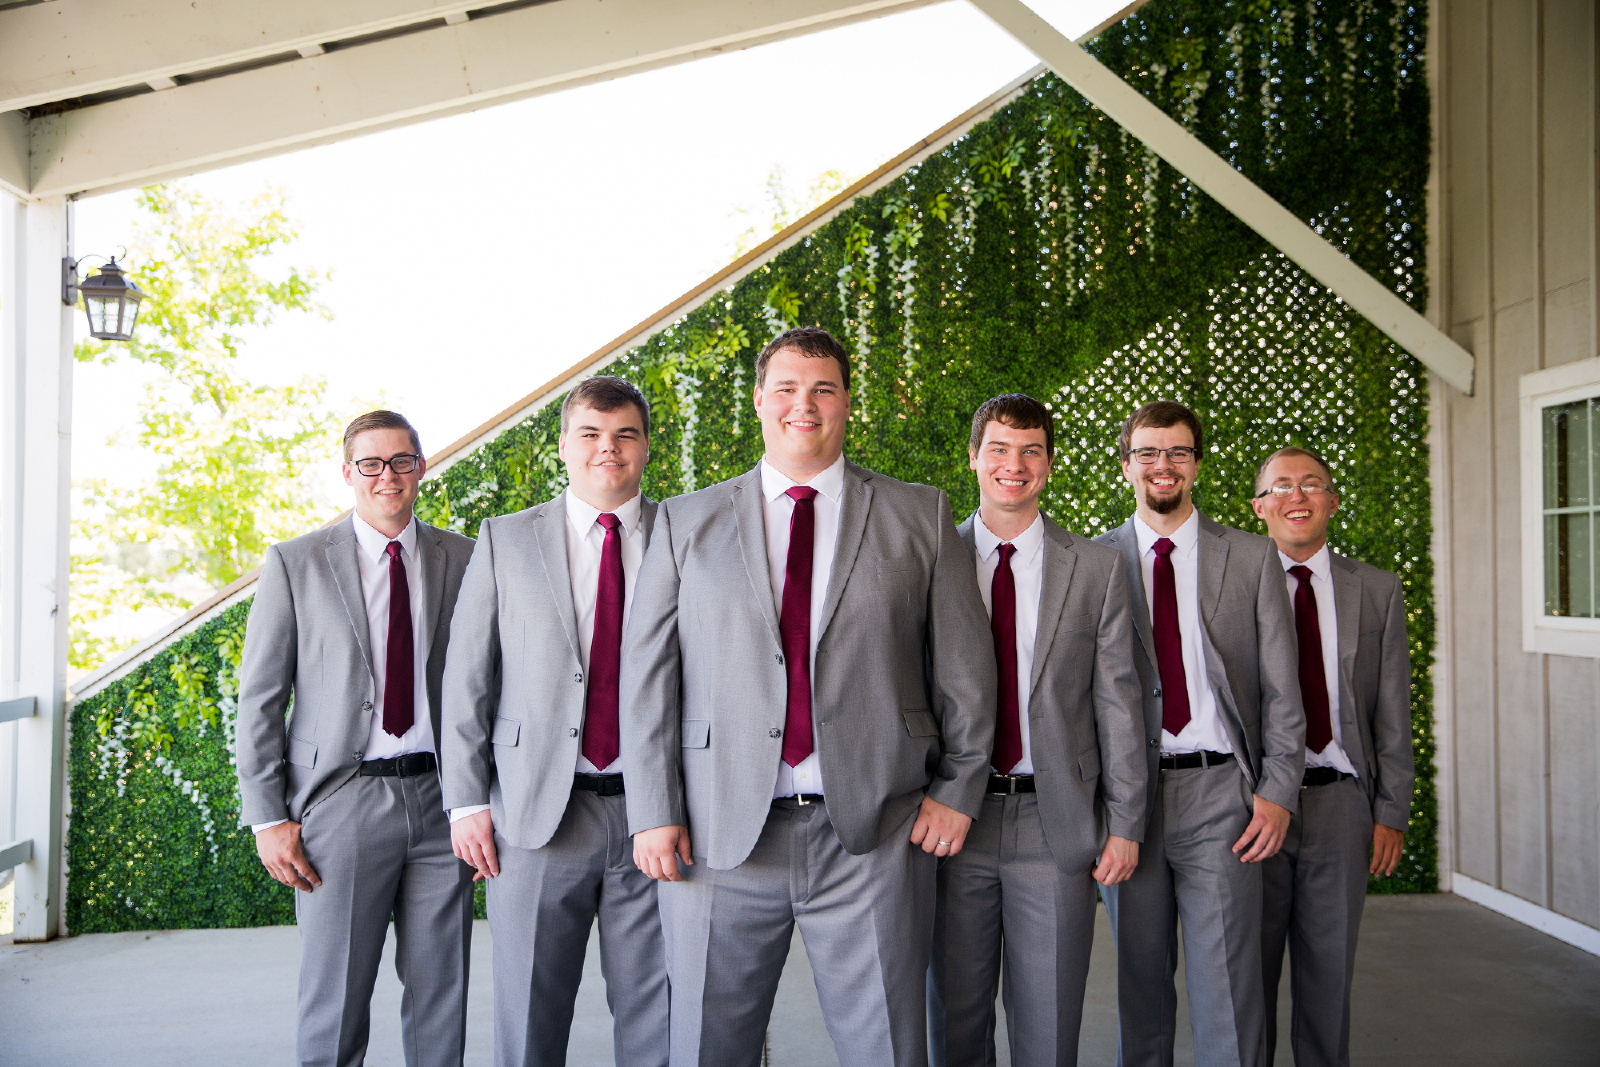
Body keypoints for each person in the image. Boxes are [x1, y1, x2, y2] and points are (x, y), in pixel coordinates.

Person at [621, 326, 996, 1067]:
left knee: (887, 1048)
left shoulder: (918, 515)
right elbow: (649, 677)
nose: (805, 404)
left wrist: (959, 785)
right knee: (705, 1047)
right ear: (760, 400)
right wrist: (653, 807)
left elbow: (966, 668)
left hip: (874, 831)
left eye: (823, 388)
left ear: (847, 403)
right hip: (718, 835)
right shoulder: (684, 521)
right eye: (787, 388)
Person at [439, 376, 669, 1067]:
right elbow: (466, 680)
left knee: (658, 1015)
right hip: (535, 814)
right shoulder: (505, 539)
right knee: (531, 1020)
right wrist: (466, 802)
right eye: (592, 434)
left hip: (656, 814)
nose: (609, 449)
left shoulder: (686, 533)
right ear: (564, 445)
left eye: (626, 434)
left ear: (647, 447)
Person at [236, 410, 477, 1067]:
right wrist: (267, 817)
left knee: (441, 993)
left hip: (440, 801)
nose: (387, 475)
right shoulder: (296, 563)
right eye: (370, 463)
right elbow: (259, 698)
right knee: (335, 996)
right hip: (340, 803)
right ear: (348, 473)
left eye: (401, 460)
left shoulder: (464, 557)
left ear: (421, 467)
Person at [929, 394, 1147, 1067]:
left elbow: (1120, 701)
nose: (1013, 465)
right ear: (974, 458)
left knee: (1050, 1024)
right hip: (952, 821)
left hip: (1057, 823)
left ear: (1049, 464)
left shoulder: (1096, 567)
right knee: (955, 1022)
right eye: (998, 448)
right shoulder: (931, 557)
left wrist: (1127, 820)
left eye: (1030, 451)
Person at [1093, 400, 1305, 1067]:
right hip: (1130, 801)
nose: (1164, 465)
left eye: (1178, 452)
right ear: (1126, 463)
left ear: (1196, 464)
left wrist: (1276, 792)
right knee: (1140, 988)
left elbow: (1283, 689)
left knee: (1231, 992)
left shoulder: (1249, 558)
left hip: (1225, 797)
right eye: (1149, 452)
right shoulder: (1092, 562)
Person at [1250, 446, 1414, 1067]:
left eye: (1312, 484)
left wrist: (1390, 809)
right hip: (1257, 805)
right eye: (1282, 486)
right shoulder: (1233, 582)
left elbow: (1392, 708)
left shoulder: (1375, 589)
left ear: (1333, 501)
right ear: (1260, 506)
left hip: (1342, 799)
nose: (1298, 496)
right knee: (1247, 975)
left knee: (1329, 971)